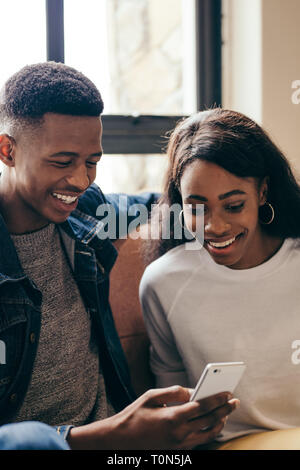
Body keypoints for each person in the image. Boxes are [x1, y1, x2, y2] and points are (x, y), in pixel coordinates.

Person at [0, 63, 238, 450]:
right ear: (8, 150)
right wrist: (114, 435)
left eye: (92, 162)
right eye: (62, 162)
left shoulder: (87, 212)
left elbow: (166, 210)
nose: (80, 181)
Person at [139, 108, 300, 448]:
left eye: (233, 205)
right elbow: (174, 412)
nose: (215, 227)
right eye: (197, 208)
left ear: (262, 192)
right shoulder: (163, 284)